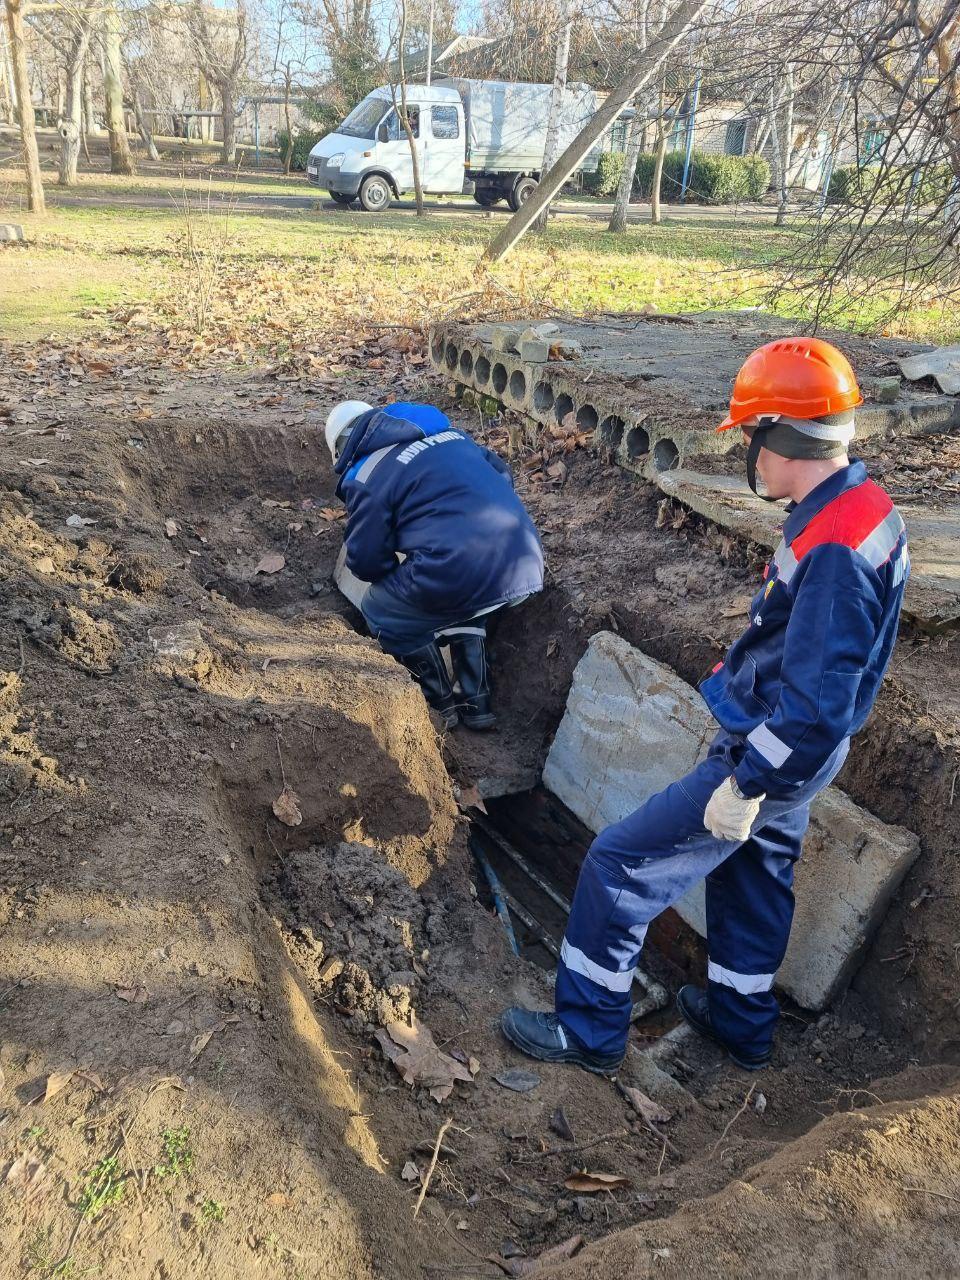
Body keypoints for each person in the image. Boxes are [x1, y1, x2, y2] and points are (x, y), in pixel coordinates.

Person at [501, 336, 910, 1074]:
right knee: (754, 878)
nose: (749, 454)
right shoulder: (860, 505)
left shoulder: (836, 552)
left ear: (788, 435)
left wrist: (746, 784)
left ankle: (587, 1033)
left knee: (620, 866)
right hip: (800, 757)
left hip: (775, 751)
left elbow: (816, 707)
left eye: (754, 436)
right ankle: (739, 1021)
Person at [326, 399, 544, 731]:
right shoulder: (452, 436)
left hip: (459, 567)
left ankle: (438, 705)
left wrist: (397, 571)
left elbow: (366, 560)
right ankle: (475, 702)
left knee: (379, 608)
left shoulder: (367, 471)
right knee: (463, 603)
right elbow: (502, 476)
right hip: (524, 558)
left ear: (341, 449)